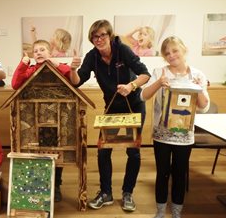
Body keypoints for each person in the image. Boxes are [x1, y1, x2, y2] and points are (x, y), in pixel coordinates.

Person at [69, 19, 151, 212]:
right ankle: (106, 193)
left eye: (103, 35)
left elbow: (145, 74)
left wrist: (131, 86)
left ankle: (127, 193)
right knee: (103, 150)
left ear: (110, 35)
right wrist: (72, 69)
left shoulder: (123, 50)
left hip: (135, 106)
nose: (99, 39)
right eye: (95, 37)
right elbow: (77, 82)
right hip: (112, 107)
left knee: (133, 151)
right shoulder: (92, 57)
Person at [140, 36, 210, 218]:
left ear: (183, 50)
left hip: (185, 136)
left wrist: (198, 88)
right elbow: (143, 96)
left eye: (174, 51)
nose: (171, 55)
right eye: (167, 53)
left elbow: (204, 106)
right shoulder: (159, 72)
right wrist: (158, 83)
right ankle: (161, 212)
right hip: (161, 135)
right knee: (162, 173)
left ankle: (177, 213)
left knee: (180, 174)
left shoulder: (198, 75)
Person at [12, 39, 81, 202]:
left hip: (58, 119)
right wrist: (23, 63)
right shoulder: (31, 70)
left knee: (56, 153)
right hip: (34, 121)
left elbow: (70, 78)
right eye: (35, 51)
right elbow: (15, 84)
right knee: (38, 155)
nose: (38, 53)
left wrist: (55, 63)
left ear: (50, 53)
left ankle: (56, 185)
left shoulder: (58, 66)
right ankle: (41, 186)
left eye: (42, 50)